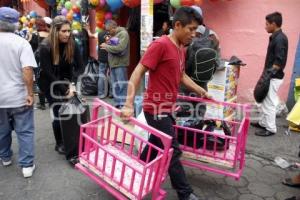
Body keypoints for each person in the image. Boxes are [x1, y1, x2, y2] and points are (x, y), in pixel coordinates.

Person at [121, 7, 210, 200]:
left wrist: (200, 90)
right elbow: (137, 72)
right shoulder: (160, 45)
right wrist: (128, 104)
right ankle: (185, 194)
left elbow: (181, 75)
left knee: (156, 143)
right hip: (155, 109)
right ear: (177, 25)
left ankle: (136, 171)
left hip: (168, 108)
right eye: (191, 29)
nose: (194, 34)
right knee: (172, 149)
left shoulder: (180, 49)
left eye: (196, 30)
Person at [0, 7, 37, 178]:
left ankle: (5, 157)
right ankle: (27, 166)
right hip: (18, 97)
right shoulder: (22, 43)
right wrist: (30, 93)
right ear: (16, 24)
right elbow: (27, 70)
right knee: (25, 131)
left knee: (1, 129)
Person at [38, 16, 83, 154]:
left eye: (69, 31)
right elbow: (49, 73)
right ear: (55, 31)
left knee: (70, 107)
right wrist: (65, 90)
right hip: (48, 81)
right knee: (57, 110)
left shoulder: (72, 43)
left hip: (66, 79)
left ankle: (72, 135)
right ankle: (59, 143)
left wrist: (73, 85)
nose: (67, 34)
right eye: (63, 31)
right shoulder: (45, 46)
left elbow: (80, 67)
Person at [252, 12, 288, 136]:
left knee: (269, 102)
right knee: (263, 100)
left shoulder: (280, 39)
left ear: (273, 24)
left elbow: (279, 60)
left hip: (273, 76)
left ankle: (271, 128)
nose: (265, 26)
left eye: (267, 24)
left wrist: (268, 75)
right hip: (270, 74)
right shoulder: (275, 37)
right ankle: (263, 123)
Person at [100, 20, 130, 108]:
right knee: (115, 85)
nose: (108, 32)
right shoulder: (114, 35)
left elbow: (120, 48)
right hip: (113, 64)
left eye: (109, 30)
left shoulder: (123, 34)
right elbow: (114, 47)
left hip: (120, 63)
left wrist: (106, 46)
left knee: (121, 85)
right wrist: (108, 43)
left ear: (114, 27)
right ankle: (117, 103)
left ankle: (123, 104)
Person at [29, 18, 51, 110]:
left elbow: (29, 47)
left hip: (38, 61)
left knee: (39, 81)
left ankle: (42, 103)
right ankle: (50, 100)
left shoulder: (34, 35)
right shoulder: (50, 35)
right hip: (49, 60)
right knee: (49, 79)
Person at [84, 25, 112, 98]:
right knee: (111, 75)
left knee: (101, 74)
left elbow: (91, 35)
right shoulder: (112, 34)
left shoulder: (99, 33)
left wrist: (87, 29)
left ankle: (101, 93)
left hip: (102, 56)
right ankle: (111, 93)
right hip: (111, 56)